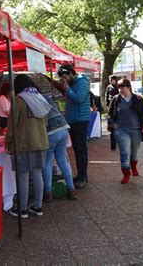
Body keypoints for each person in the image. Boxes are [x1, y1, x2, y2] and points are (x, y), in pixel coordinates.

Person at [5, 75, 49, 218]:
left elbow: (11, 125)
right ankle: (38, 206)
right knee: (37, 173)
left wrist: (7, 143)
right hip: (40, 141)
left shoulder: (18, 100)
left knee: (22, 175)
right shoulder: (40, 97)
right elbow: (46, 122)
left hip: (23, 143)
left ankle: (22, 209)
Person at [47, 64, 90, 188]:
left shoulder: (82, 81)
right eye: (62, 78)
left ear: (71, 73)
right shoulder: (73, 83)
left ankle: (82, 176)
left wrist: (67, 89)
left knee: (81, 149)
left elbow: (79, 99)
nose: (64, 80)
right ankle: (82, 175)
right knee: (77, 149)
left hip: (80, 119)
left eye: (65, 77)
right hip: (73, 120)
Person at [108, 79, 143, 184]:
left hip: (136, 130)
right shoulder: (116, 99)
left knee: (134, 153)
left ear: (128, 87)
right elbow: (110, 115)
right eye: (119, 88)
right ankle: (126, 173)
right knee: (125, 152)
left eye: (122, 87)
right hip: (121, 131)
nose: (120, 90)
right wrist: (112, 124)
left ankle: (133, 166)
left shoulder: (138, 99)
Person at [41, 94, 76, 201]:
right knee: (62, 161)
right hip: (63, 128)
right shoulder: (45, 97)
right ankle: (71, 189)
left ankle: (48, 193)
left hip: (51, 132)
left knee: (47, 162)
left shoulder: (31, 100)